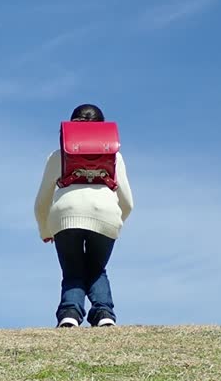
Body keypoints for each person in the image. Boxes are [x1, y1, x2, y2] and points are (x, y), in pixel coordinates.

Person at [33, 104, 134, 328]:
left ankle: (70, 314)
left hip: (65, 215)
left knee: (73, 269)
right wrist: (116, 224)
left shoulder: (58, 156)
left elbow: (41, 201)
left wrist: (45, 229)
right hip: (106, 215)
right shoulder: (115, 157)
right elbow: (127, 201)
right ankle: (104, 314)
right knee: (96, 269)